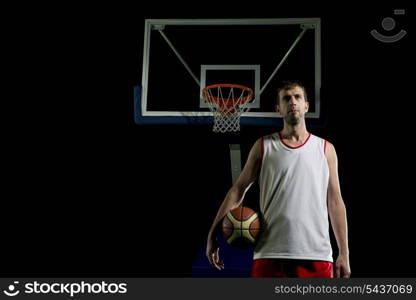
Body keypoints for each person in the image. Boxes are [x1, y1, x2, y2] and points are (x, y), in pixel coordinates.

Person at [206, 80, 351, 278]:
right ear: (278, 109)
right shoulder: (264, 146)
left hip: (317, 256)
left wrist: (344, 252)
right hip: (270, 254)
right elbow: (237, 190)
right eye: (286, 98)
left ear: (306, 106)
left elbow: (335, 202)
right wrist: (212, 234)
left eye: (298, 97)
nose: (293, 102)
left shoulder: (325, 149)